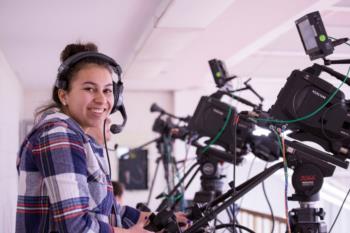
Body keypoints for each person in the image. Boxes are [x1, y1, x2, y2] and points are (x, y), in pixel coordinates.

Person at [16, 42, 188, 233]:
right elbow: (75, 227)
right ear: (63, 95)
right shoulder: (59, 135)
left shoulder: (78, 138)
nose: (101, 99)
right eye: (90, 89)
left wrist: (154, 218)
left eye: (107, 90)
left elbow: (108, 208)